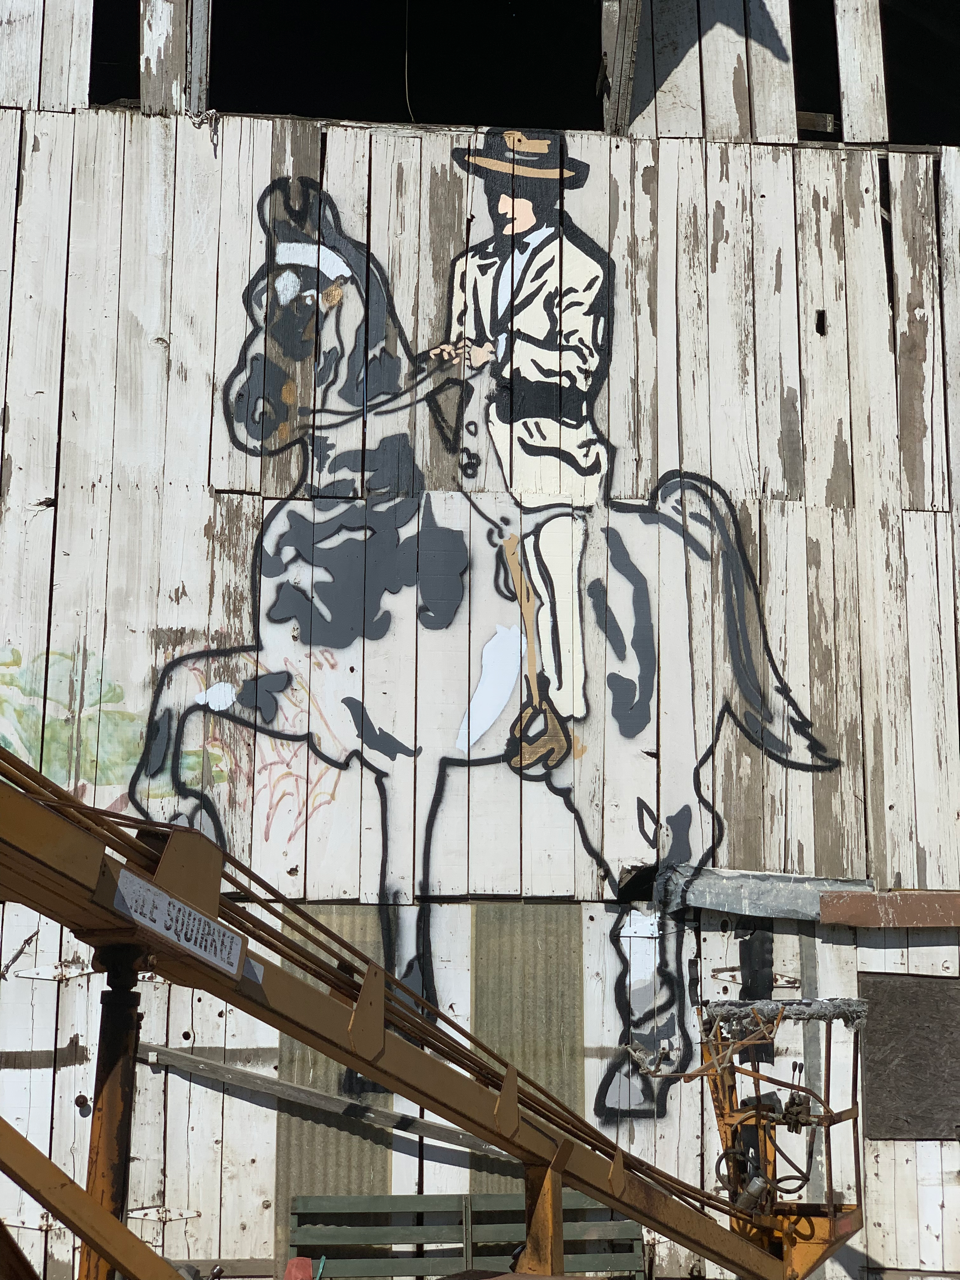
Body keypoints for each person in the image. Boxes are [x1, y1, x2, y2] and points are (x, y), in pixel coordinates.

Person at [432, 129, 613, 723]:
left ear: (543, 195)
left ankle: (564, 708)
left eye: (514, 192)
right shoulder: (471, 267)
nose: (499, 204)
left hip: (551, 458)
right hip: (479, 457)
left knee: (552, 573)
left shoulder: (583, 269)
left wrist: (501, 352)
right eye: (493, 190)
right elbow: (467, 353)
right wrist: (452, 358)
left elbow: (581, 364)